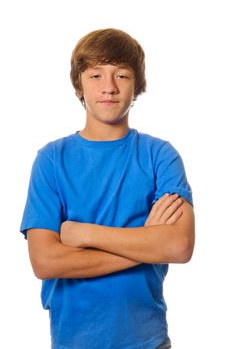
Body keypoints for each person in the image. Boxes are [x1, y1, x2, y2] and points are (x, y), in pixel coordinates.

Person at [20, 28, 195, 349]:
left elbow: (179, 245)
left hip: (148, 340)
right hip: (74, 341)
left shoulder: (160, 155)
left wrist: (82, 233)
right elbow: (45, 262)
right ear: (79, 85)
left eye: (122, 76)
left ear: (137, 85)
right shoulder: (51, 159)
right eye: (96, 75)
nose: (109, 88)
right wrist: (146, 244)